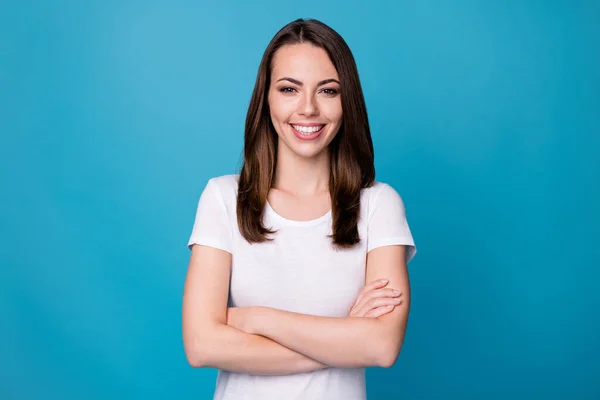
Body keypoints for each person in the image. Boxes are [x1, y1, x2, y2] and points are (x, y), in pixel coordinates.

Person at [182, 18, 417, 400]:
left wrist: (255, 319)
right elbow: (201, 345)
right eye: (289, 89)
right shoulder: (224, 198)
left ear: (347, 101)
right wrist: (343, 337)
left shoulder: (378, 206)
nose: (307, 108)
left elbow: (382, 347)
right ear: (267, 99)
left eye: (327, 91)